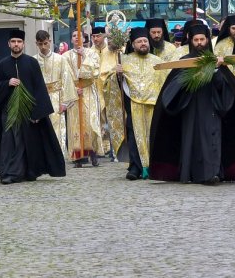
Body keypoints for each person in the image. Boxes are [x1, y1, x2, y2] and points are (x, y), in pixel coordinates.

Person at [149, 23, 235, 185]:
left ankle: (213, 173)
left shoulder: (217, 62)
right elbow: (172, 91)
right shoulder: (184, 62)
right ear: (191, 40)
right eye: (196, 40)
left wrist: (215, 71)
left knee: (213, 139)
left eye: (202, 39)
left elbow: (226, 87)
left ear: (208, 40)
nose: (200, 43)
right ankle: (194, 174)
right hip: (191, 111)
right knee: (192, 142)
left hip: (212, 108)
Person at [0, 29, 67, 184]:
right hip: (9, 110)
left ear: (23, 44)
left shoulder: (31, 63)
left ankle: (27, 172)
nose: (16, 44)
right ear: (9, 44)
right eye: (13, 41)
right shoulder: (3, 64)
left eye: (19, 42)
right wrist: (7, 83)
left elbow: (39, 87)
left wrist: (38, 113)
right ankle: (8, 173)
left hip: (29, 111)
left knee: (28, 142)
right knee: (10, 141)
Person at [115, 27, 165, 180]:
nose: (143, 44)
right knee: (134, 135)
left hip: (153, 104)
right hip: (134, 104)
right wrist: (117, 75)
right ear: (133, 44)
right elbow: (116, 86)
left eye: (145, 41)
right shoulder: (124, 60)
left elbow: (164, 82)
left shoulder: (158, 62)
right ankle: (136, 167)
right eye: (139, 41)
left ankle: (155, 167)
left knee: (154, 135)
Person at [63, 30, 104, 167]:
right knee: (76, 124)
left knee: (90, 122)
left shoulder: (91, 53)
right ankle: (78, 157)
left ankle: (93, 154)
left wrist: (84, 56)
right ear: (71, 39)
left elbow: (95, 71)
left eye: (79, 36)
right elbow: (65, 76)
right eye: (74, 36)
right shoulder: (66, 56)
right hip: (74, 92)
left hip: (88, 91)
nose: (76, 38)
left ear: (84, 38)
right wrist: (74, 89)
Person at [34, 29, 75, 151]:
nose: (43, 47)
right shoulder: (33, 60)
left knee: (57, 128)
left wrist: (65, 102)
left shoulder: (60, 59)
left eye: (45, 43)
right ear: (36, 43)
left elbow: (67, 79)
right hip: (39, 98)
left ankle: (58, 155)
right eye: (40, 44)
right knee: (41, 129)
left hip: (57, 97)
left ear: (50, 41)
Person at [91, 23, 126, 162]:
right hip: (96, 89)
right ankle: (102, 148)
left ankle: (116, 148)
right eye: (93, 36)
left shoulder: (113, 49)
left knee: (114, 118)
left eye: (98, 36)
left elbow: (122, 60)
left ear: (104, 36)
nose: (95, 39)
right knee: (99, 119)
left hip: (112, 89)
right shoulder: (90, 51)